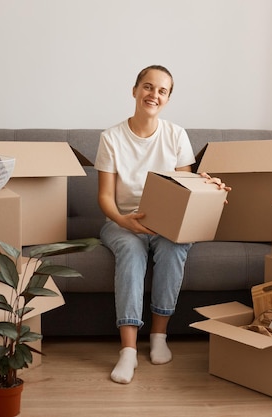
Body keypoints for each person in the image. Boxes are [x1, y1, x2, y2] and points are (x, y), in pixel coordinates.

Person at [95, 65, 229, 384]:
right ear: (135, 90)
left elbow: (185, 186)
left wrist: (206, 186)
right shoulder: (111, 137)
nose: (153, 94)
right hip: (123, 220)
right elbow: (104, 197)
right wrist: (123, 220)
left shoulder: (176, 135)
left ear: (167, 99)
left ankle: (159, 337)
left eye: (162, 90)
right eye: (147, 87)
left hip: (167, 221)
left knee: (175, 246)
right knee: (130, 250)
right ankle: (128, 350)